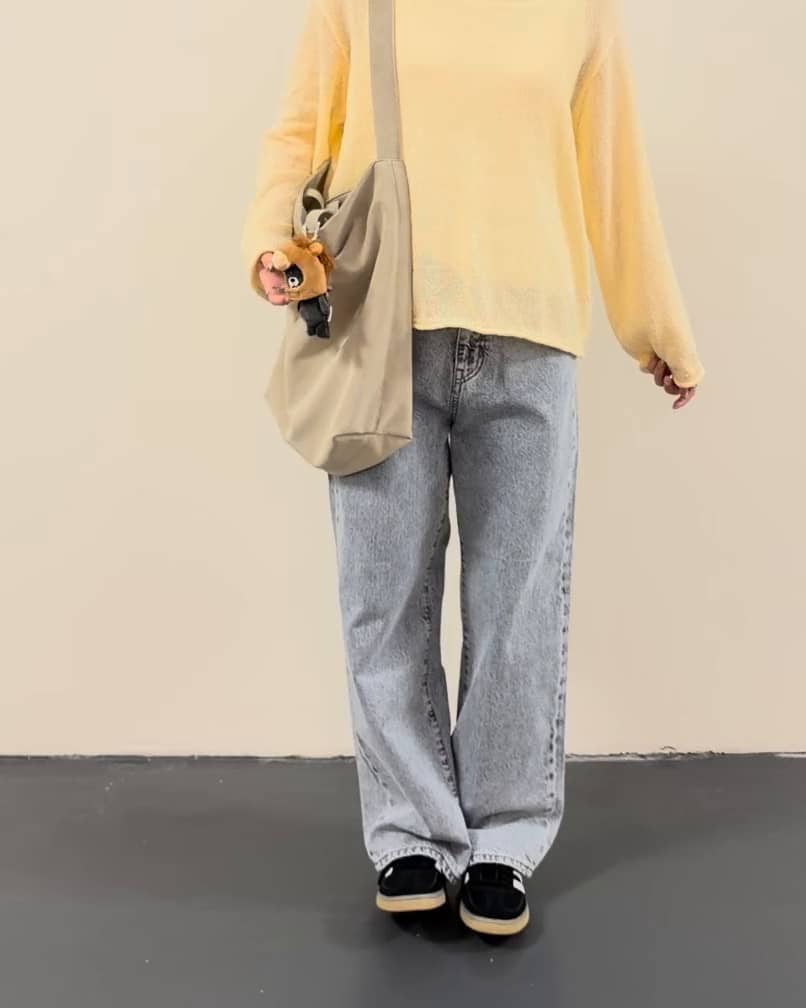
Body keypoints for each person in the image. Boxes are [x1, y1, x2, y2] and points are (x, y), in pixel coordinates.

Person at [240, 0, 705, 937]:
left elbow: (613, 175)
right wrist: (269, 240)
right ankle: (410, 831)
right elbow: (298, 129)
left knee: (517, 605)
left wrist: (654, 326)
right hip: (380, 335)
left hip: (532, 342)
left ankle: (504, 835)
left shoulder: (583, 11)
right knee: (383, 595)